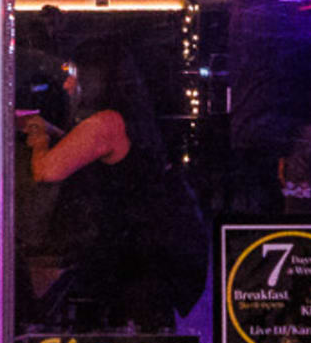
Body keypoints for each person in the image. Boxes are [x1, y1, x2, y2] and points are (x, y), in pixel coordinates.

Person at [24, 43, 207, 328]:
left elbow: (47, 172)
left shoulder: (104, 122)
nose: (69, 82)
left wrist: (39, 142)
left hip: (125, 249)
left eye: (75, 73)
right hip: (148, 245)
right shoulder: (125, 116)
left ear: (97, 78)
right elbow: (85, 150)